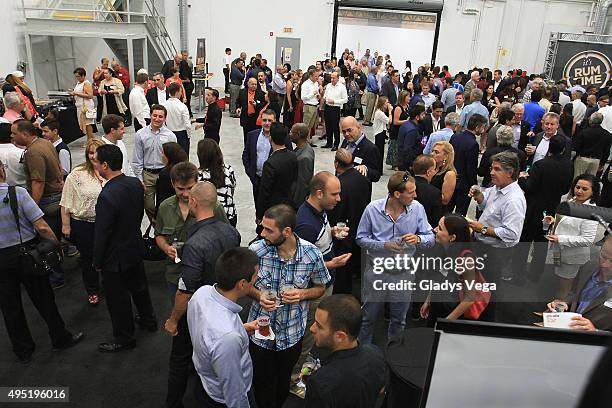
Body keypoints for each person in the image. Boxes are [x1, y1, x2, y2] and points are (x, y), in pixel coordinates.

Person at [163, 181, 241, 408]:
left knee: (179, 359)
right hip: (225, 309)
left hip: (197, 313)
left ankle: (173, 403)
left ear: (193, 203)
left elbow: (186, 290)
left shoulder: (195, 244)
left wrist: (173, 320)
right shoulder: (232, 233)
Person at [246, 204, 331, 408]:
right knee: (261, 382)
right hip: (260, 334)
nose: (262, 234)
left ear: (287, 232)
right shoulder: (256, 251)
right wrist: (258, 295)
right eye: (262, 228)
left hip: (291, 335)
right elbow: (243, 286)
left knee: (283, 382)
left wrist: (302, 294)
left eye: (268, 230)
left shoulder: (312, 254)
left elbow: (321, 287)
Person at [0, 159, 84, 364]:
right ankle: (59, 338)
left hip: (1, 261)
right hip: (27, 255)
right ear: (2, 171)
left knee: (10, 307)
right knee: (44, 298)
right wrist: (56, 245)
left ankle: (23, 350)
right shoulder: (17, 194)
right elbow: (42, 227)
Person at [356, 172, 435, 344]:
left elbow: (431, 237)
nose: (416, 195)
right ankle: (362, 354)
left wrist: (419, 239)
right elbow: (360, 239)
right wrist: (384, 245)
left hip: (404, 273)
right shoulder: (373, 209)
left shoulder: (417, 209)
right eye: (411, 192)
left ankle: (394, 354)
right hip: (377, 272)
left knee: (399, 320)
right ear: (397, 194)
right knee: (368, 318)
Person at [92, 144, 157, 352]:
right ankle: (149, 320)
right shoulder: (135, 184)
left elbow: (102, 233)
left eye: (96, 161)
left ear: (105, 165)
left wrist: (97, 261)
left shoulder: (106, 195)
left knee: (118, 300)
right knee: (140, 288)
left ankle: (124, 337)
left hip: (114, 256)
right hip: (134, 246)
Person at [188, 247, 259, 407]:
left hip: (205, 382)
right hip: (222, 399)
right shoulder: (228, 338)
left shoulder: (201, 293)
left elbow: (207, 334)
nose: (257, 279)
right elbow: (234, 392)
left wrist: (241, 329)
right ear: (242, 284)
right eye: (255, 277)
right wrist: (234, 335)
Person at [467, 151, 526, 320]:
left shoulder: (514, 200)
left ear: (510, 172)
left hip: (495, 253)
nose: (491, 172)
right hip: (482, 247)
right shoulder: (498, 188)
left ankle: (485, 323)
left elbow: (512, 234)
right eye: (492, 168)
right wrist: (479, 196)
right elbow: (488, 204)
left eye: (497, 169)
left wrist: (482, 229)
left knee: (488, 290)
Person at [11, 119, 66, 288]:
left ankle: (56, 277)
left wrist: (31, 208)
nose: (11, 136)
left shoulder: (33, 152)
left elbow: (38, 182)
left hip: (48, 200)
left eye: (14, 133)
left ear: (25, 134)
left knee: (47, 240)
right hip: (58, 195)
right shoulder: (45, 142)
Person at [305, 295, 385, 408]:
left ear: (340, 336)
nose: (312, 328)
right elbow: (381, 390)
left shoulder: (320, 382)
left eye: (319, 326)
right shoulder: (376, 354)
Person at [514, 136, 573, 285]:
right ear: (564, 149)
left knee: (525, 242)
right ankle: (536, 273)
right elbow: (566, 188)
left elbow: (530, 187)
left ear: (548, 148)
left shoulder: (540, 165)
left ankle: (518, 274)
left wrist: (521, 178)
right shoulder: (569, 165)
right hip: (552, 207)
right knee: (542, 243)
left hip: (534, 208)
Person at [60, 138, 105, 305]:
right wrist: (66, 224)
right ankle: (92, 289)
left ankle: (109, 283)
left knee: (108, 255)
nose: (94, 156)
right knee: (89, 259)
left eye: (97, 152)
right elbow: (65, 201)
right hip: (84, 224)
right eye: (91, 152)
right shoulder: (77, 174)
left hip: (106, 224)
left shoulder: (111, 171)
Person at [544, 174, 599, 300]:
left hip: (572, 257)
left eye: (584, 189)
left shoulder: (591, 212)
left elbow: (588, 240)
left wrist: (560, 238)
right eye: (577, 187)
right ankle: (553, 309)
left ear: (593, 191)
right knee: (557, 280)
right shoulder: (571, 201)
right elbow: (566, 222)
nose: (579, 191)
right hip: (558, 252)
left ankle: (556, 314)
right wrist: (553, 221)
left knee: (564, 286)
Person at [420, 214, 482, 324]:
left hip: (452, 312)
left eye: (440, 228)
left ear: (452, 237)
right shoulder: (442, 249)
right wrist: (428, 301)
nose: (434, 230)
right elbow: (438, 277)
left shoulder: (466, 260)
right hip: (438, 305)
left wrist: (447, 322)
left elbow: (469, 299)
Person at [545, 236, 612, 332]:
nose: (604, 264)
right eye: (603, 256)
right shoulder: (589, 266)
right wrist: (563, 304)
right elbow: (574, 293)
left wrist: (596, 332)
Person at [328, 149, 371, 295]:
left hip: (343, 231)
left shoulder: (339, 185)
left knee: (342, 269)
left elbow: (336, 211)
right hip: (360, 226)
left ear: (336, 164)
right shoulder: (363, 178)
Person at [132, 104, 177, 221]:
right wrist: (140, 179)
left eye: (160, 116)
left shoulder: (170, 136)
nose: (157, 119)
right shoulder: (140, 135)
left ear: (165, 118)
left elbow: (174, 158)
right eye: (155, 115)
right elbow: (137, 159)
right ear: (150, 116)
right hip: (148, 175)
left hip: (164, 174)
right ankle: (157, 227)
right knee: (149, 205)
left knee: (165, 205)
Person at [256, 122, 298, 222]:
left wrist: (259, 214)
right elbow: (295, 181)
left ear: (270, 138)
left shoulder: (270, 163)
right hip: (288, 204)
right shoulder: (293, 156)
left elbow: (264, 192)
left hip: (273, 208)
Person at [450, 113, 487, 215]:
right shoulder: (473, 144)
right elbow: (471, 168)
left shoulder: (455, 136)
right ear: (477, 127)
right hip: (464, 184)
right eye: (483, 127)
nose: (483, 130)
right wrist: (473, 184)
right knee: (460, 213)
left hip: (451, 178)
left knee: (447, 209)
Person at [197, 138, 237, 226]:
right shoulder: (228, 169)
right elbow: (232, 188)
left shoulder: (198, 175)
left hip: (209, 219)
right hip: (229, 215)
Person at [339, 116, 381, 182]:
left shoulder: (370, 148)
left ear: (359, 128)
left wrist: (366, 169)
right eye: (344, 132)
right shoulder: (345, 142)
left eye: (349, 130)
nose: (346, 134)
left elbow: (376, 175)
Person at [573, 113, 611, 178]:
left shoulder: (584, 132)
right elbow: (607, 151)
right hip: (596, 161)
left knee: (577, 179)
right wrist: (602, 163)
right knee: (590, 181)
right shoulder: (607, 135)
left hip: (582, 159)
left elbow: (576, 147)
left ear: (590, 120)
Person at [155, 142, 188, 213]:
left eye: (163, 153)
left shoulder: (165, 174)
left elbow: (161, 197)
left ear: (169, 156)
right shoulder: (186, 169)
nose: (161, 155)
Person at [412, 155, 443, 227]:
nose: (436, 171)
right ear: (428, 172)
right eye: (435, 169)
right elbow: (436, 219)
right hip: (425, 230)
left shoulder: (405, 184)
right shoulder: (434, 192)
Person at [291, 122, 315, 208]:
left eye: (292, 132)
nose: (290, 134)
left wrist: (295, 205)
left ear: (298, 134)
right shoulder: (305, 148)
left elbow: (303, 184)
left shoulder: (304, 157)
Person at [322, 72, 348, 150]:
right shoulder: (329, 86)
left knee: (335, 126)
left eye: (334, 78)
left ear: (338, 78)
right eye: (331, 78)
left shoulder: (342, 87)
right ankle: (329, 142)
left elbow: (345, 99)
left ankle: (336, 144)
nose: (332, 79)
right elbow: (325, 96)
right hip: (327, 107)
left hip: (335, 108)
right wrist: (325, 100)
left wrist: (334, 101)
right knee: (328, 125)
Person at [163, 82, 191, 154]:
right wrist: (188, 136)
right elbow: (187, 124)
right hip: (181, 134)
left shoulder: (164, 105)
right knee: (182, 157)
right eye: (181, 92)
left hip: (168, 132)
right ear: (177, 92)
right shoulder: (182, 106)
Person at [397, 104, 427, 172]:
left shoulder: (406, 124)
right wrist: (410, 164)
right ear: (417, 117)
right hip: (408, 164)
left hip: (401, 160)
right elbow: (408, 149)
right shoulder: (412, 130)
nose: (424, 117)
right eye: (422, 115)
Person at [237, 77, 267, 145]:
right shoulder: (242, 92)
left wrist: (256, 104)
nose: (254, 86)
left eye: (255, 84)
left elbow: (264, 104)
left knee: (255, 137)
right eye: (252, 84)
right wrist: (238, 107)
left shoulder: (261, 93)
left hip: (255, 118)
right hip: (246, 118)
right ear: (248, 84)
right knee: (246, 136)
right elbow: (238, 101)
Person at [70, 67, 95, 142]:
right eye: (76, 76)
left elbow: (90, 95)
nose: (77, 78)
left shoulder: (86, 83)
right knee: (84, 123)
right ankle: (91, 138)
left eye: (78, 76)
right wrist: (73, 92)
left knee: (88, 123)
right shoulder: (78, 83)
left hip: (86, 106)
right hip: (80, 105)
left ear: (83, 75)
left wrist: (76, 93)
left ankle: (90, 139)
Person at [372, 96, 392, 172]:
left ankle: (379, 169)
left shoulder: (380, 112)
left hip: (381, 133)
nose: (388, 104)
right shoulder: (379, 113)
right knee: (379, 152)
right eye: (387, 102)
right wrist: (390, 111)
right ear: (383, 104)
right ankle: (378, 169)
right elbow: (389, 121)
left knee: (380, 152)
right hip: (379, 133)